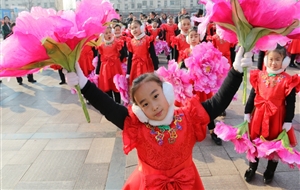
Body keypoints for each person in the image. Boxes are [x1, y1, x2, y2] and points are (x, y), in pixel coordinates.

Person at [64, 46, 252, 189]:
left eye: (155, 96)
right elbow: (108, 107)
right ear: (138, 109)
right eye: (144, 103)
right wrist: (84, 84)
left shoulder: (187, 116)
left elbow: (217, 103)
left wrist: (236, 71)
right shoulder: (136, 125)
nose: (153, 106)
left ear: (167, 93)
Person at [243, 45, 299, 184]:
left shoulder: (287, 80)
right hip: (258, 115)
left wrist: (288, 121)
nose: (274, 63)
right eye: (271, 59)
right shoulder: (260, 75)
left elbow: (291, 102)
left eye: (278, 59)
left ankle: (270, 170)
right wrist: (247, 112)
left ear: (284, 61)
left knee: (274, 144)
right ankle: (252, 167)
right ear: (266, 59)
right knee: (254, 141)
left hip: (276, 117)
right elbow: (253, 94)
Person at [180, 27, 222, 145]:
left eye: (195, 36)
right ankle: (191, 129)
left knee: (206, 106)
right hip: (191, 85)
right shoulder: (186, 52)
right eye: (191, 36)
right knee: (192, 106)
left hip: (203, 84)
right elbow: (182, 68)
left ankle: (213, 130)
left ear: (200, 37)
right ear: (187, 38)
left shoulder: (205, 50)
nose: (193, 38)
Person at [96, 26, 126, 103]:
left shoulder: (117, 43)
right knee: (107, 87)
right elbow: (99, 59)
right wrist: (97, 72)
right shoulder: (101, 45)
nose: (108, 34)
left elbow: (123, 54)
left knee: (116, 87)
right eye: (106, 33)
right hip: (105, 70)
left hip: (115, 68)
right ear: (103, 35)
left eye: (110, 32)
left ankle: (118, 103)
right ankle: (111, 104)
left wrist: (118, 57)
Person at [126, 20, 158, 86]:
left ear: (141, 27)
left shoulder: (148, 39)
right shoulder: (131, 42)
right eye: (132, 28)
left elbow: (153, 55)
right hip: (134, 66)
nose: (134, 30)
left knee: (146, 84)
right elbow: (130, 57)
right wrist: (128, 72)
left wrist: (156, 69)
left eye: (135, 27)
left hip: (146, 65)